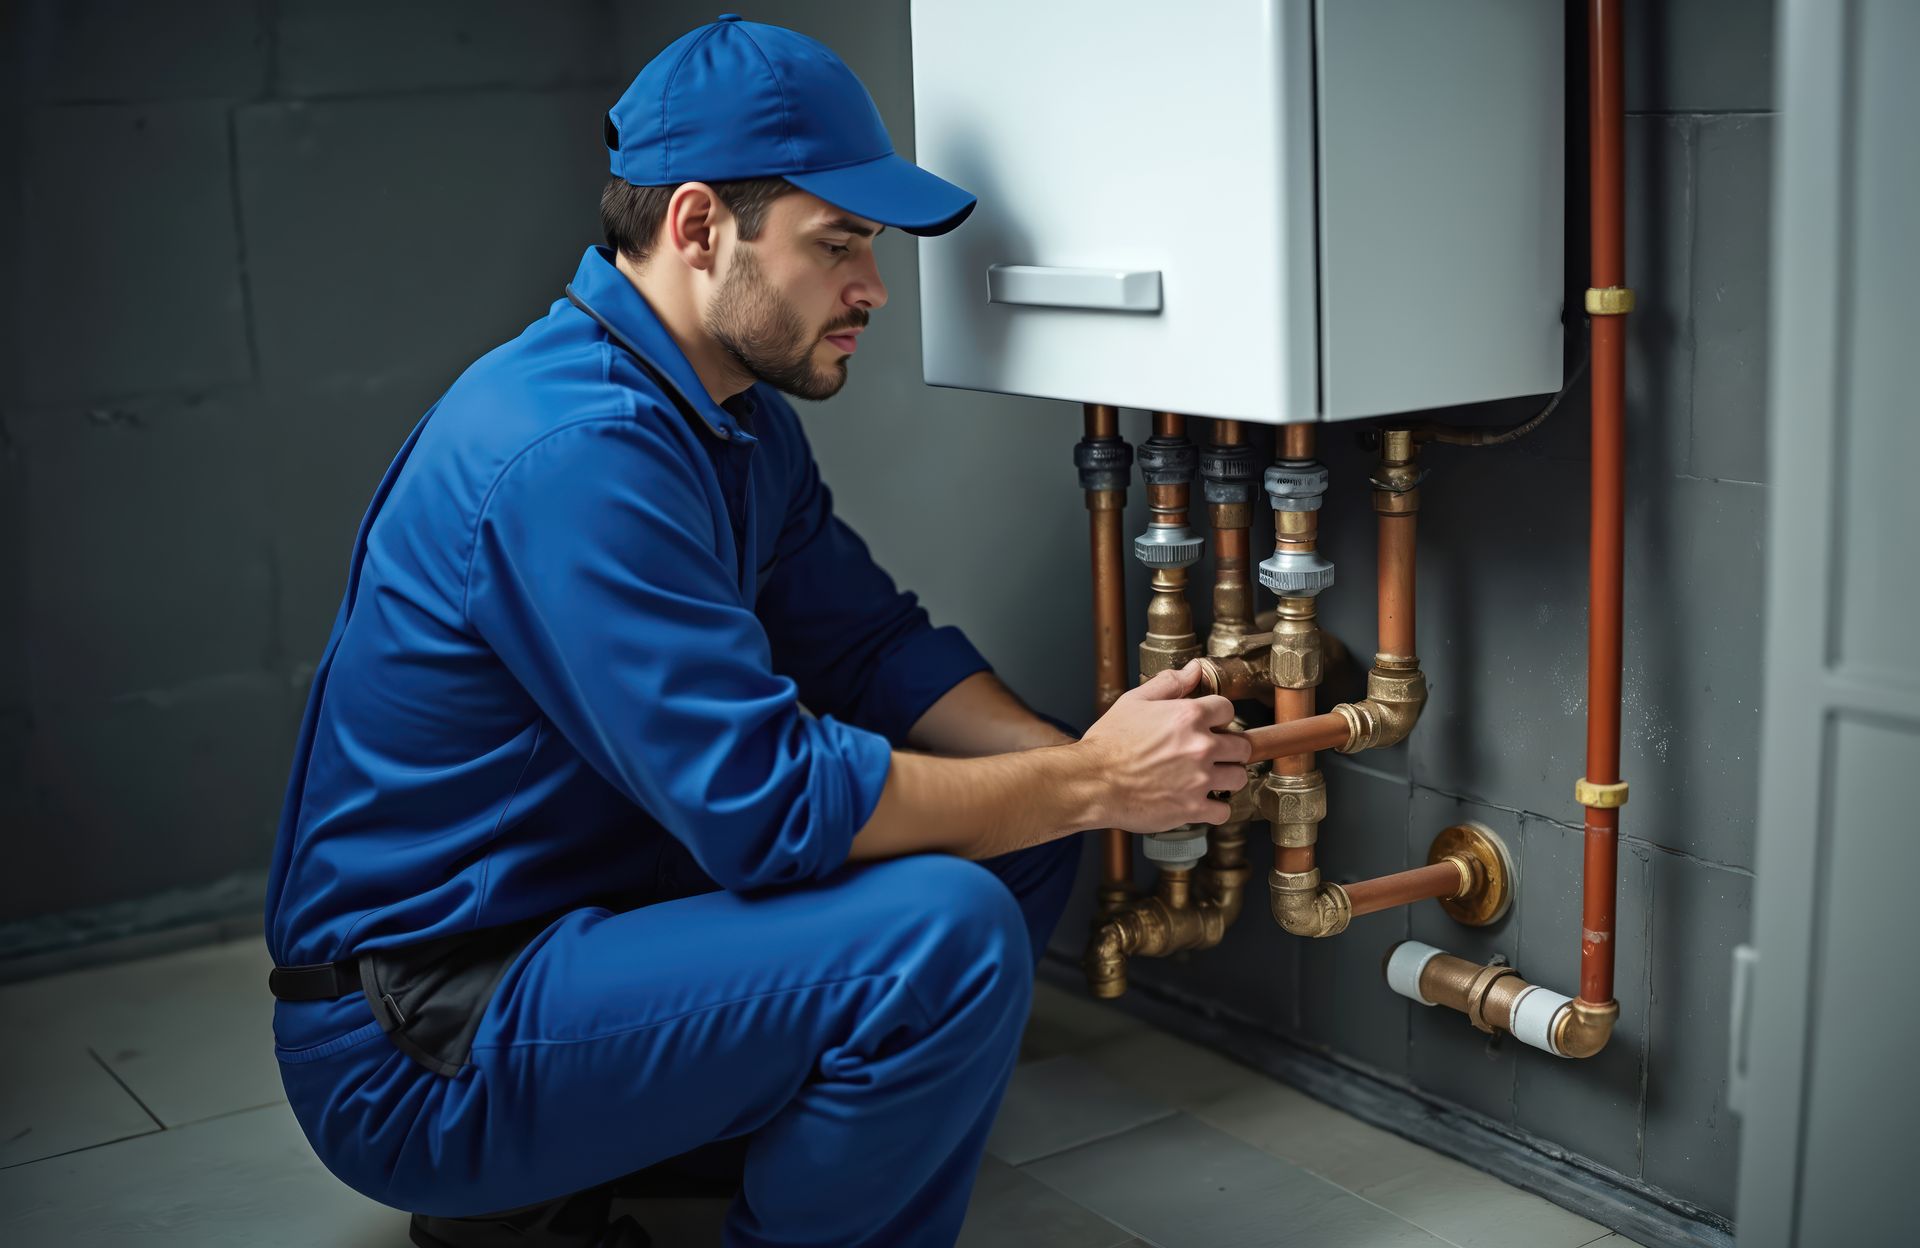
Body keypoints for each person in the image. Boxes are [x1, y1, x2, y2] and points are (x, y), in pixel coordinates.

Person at [263, 15, 1249, 1248]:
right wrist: (1094, 782)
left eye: (872, 249)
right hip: (428, 1034)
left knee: (1026, 813)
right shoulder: (573, 452)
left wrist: (1080, 765)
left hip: (592, 918)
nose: (872, 290)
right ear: (695, 227)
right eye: (836, 246)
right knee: (942, 937)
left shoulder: (723, 413)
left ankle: (702, 1131)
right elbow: (768, 807)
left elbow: (871, 647)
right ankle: (541, 1171)